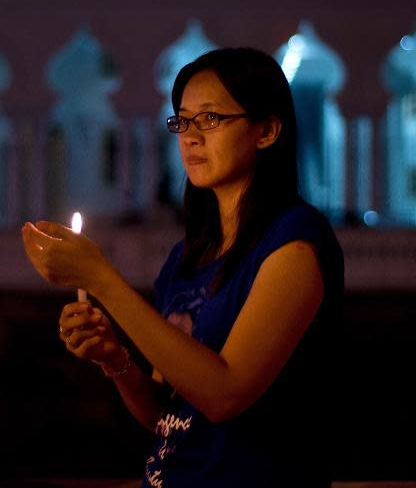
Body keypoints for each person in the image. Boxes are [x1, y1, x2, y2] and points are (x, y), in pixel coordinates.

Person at [21, 47, 344, 487]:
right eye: (183, 120)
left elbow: (225, 395)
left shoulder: (294, 241)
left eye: (211, 119)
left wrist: (102, 279)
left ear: (266, 130)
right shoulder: (188, 257)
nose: (190, 136)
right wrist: (115, 358)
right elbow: (167, 412)